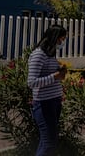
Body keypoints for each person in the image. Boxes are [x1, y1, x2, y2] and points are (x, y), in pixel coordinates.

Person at [27, 24, 68, 156]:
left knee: (48, 141)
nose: (62, 42)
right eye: (61, 39)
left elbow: (51, 76)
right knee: (49, 142)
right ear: (54, 38)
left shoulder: (49, 54)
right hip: (44, 104)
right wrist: (55, 76)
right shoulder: (39, 55)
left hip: (54, 101)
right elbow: (31, 82)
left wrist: (60, 71)